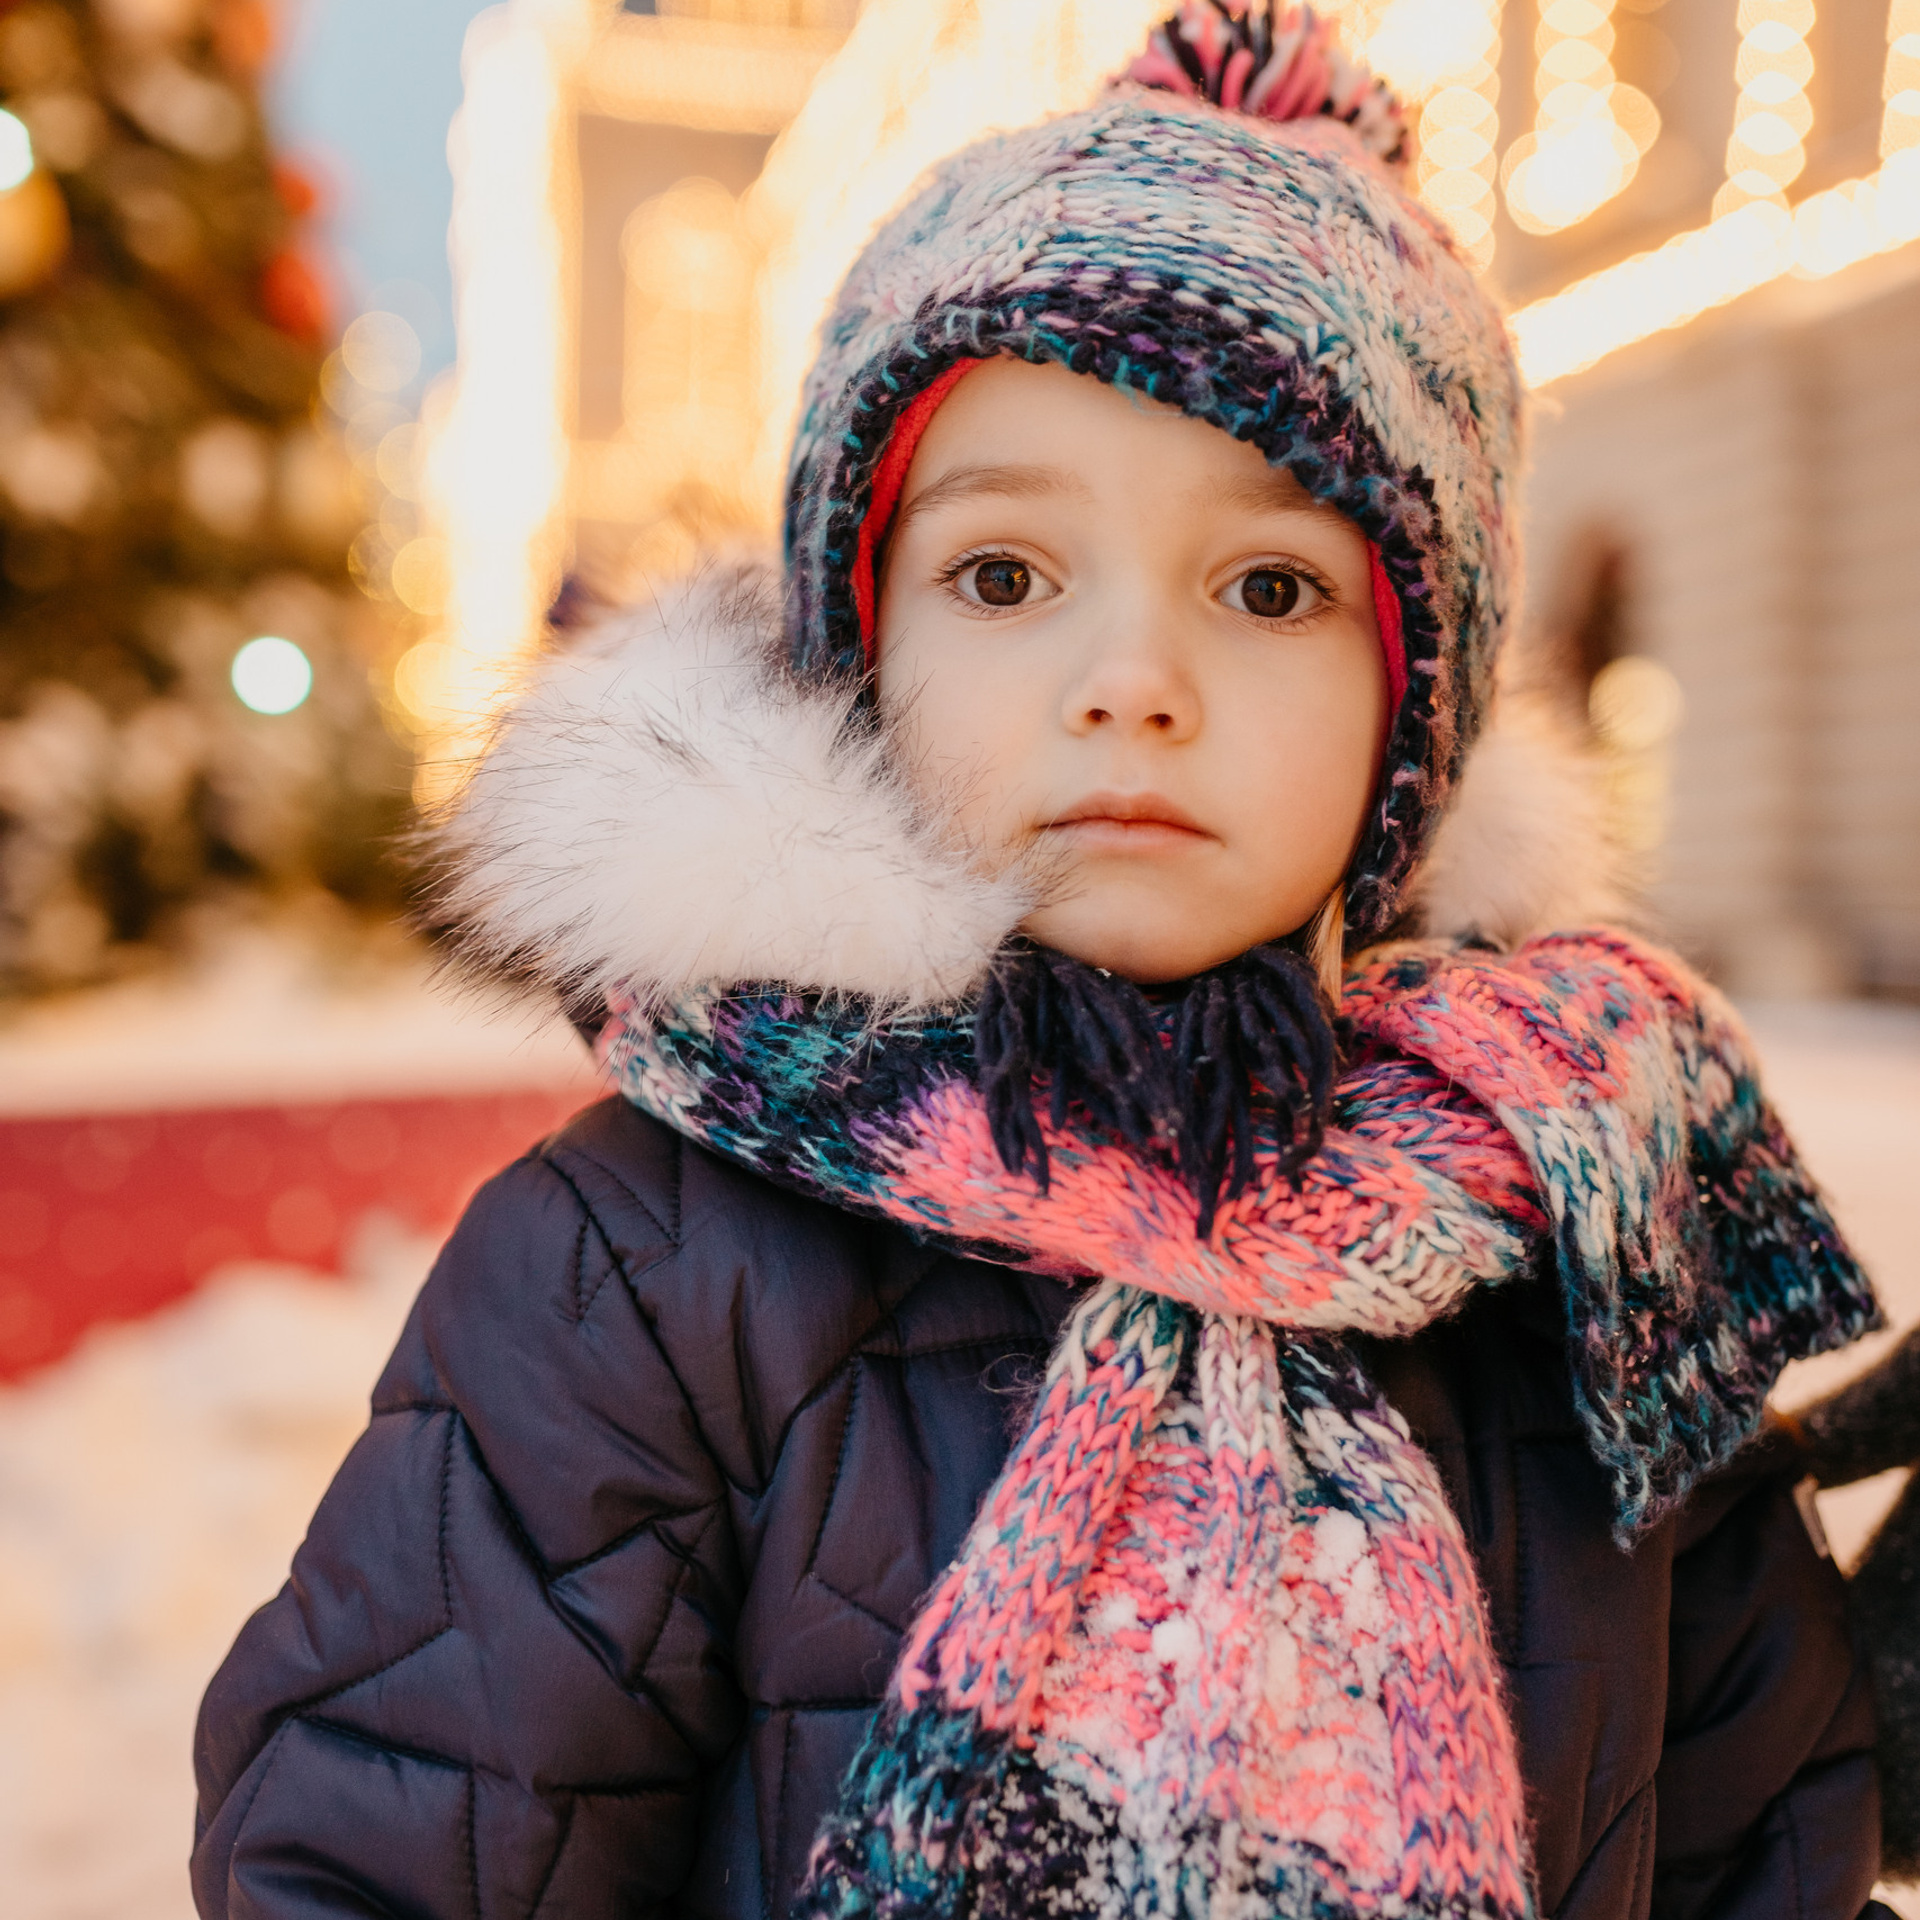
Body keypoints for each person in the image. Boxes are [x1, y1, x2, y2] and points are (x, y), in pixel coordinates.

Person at [192, 7, 1901, 1917]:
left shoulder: (1592, 1241)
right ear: (867, 640)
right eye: (1006, 577)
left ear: (1415, 708)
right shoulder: (650, 1271)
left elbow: (1763, 1843)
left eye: (1270, 589)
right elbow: (395, 1848)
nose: (1134, 685)